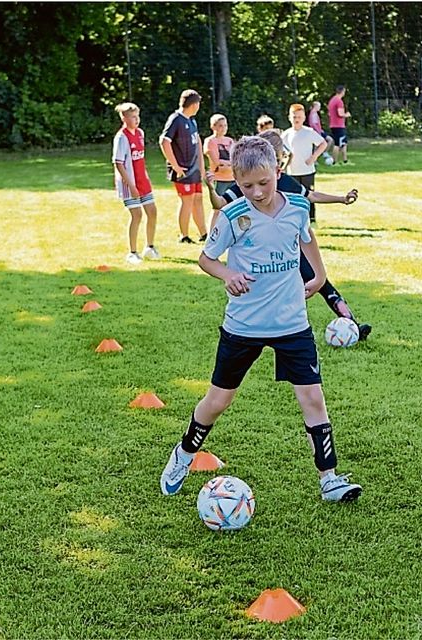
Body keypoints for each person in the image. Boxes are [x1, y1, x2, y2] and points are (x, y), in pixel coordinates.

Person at [159, 136, 362, 503]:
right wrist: (227, 275)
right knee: (218, 401)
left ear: (277, 172)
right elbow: (207, 259)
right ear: (236, 180)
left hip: (292, 324)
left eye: (264, 183)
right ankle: (184, 455)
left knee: (313, 400)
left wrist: (318, 275)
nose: (256, 191)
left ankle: (330, 479)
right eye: (246, 185)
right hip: (244, 327)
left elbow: (307, 238)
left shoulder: (298, 206)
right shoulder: (234, 216)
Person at [206, 130, 372, 340]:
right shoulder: (248, 182)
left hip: (292, 251)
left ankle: (352, 325)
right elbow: (220, 205)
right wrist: (211, 190)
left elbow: (311, 199)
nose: (257, 191)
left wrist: (340, 198)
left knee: (321, 282)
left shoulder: (284, 182)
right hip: (262, 260)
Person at [112, 102, 159, 265]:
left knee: (152, 211)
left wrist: (145, 178)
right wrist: (131, 185)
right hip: (129, 183)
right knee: (137, 215)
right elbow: (118, 163)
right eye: (132, 116)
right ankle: (132, 252)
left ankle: (150, 247)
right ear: (124, 118)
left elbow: (140, 158)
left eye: (137, 116)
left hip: (142, 180)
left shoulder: (140, 133)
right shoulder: (121, 137)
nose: (136, 119)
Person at [160, 89, 207, 244]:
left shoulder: (192, 120)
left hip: (194, 169)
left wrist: (201, 166)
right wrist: (176, 166)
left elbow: (198, 141)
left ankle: (203, 233)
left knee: (198, 199)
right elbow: (164, 141)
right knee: (187, 200)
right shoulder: (176, 119)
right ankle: (184, 236)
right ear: (193, 104)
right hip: (183, 171)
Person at [282, 103, 328, 224]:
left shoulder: (309, 132)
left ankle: (311, 219)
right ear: (289, 117)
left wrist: (314, 157)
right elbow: (282, 151)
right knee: (293, 196)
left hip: (307, 170)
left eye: (299, 117)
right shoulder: (286, 134)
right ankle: (295, 218)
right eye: (294, 117)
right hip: (292, 171)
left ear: (304, 118)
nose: (297, 119)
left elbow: (323, 144)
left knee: (309, 194)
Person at [204, 113, 235, 223]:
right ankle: (211, 232)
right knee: (217, 208)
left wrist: (227, 164)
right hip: (219, 178)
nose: (223, 128)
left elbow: (234, 159)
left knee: (233, 206)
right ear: (213, 127)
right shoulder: (210, 141)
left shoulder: (230, 141)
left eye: (225, 125)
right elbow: (216, 162)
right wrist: (225, 164)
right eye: (220, 126)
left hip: (232, 178)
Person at [327, 85, 351, 164]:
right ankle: (334, 161)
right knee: (338, 144)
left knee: (343, 143)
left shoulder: (332, 100)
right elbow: (340, 114)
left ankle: (345, 160)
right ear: (342, 91)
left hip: (333, 125)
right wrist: (346, 115)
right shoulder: (339, 101)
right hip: (338, 125)